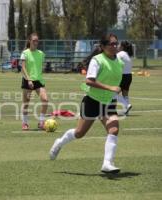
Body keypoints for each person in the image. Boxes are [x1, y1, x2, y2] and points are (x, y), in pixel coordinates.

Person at [49, 33, 124, 174]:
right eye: (111, 44)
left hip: (108, 102)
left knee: (113, 129)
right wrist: (110, 88)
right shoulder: (97, 60)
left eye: (116, 44)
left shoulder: (119, 61)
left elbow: (118, 80)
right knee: (79, 133)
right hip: (92, 100)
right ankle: (59, 142)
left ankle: (107, 163)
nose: (114, 46)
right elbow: (89, 81)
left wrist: (121, 93)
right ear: (103, 47)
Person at [20, 33, 48, 130]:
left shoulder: (41, 53)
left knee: (45, 100)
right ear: (29, 41)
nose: (36, 42)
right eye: (34, 40)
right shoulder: (25, 53)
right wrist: (29, 79)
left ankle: (41, 122)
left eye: (37, 40)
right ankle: (25, 123)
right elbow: (23, 67)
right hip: (28, 81)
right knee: (26, 103)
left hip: (39, 81)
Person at [117, 41, 133, 115]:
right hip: (129, 76)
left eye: (119, 45)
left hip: (122, 76)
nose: (117, 46)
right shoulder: (129, 54)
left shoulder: (120, 54)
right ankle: (127, 111)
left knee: (112, 93)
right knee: (125, 94)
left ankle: (126, 105)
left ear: (122, 47)